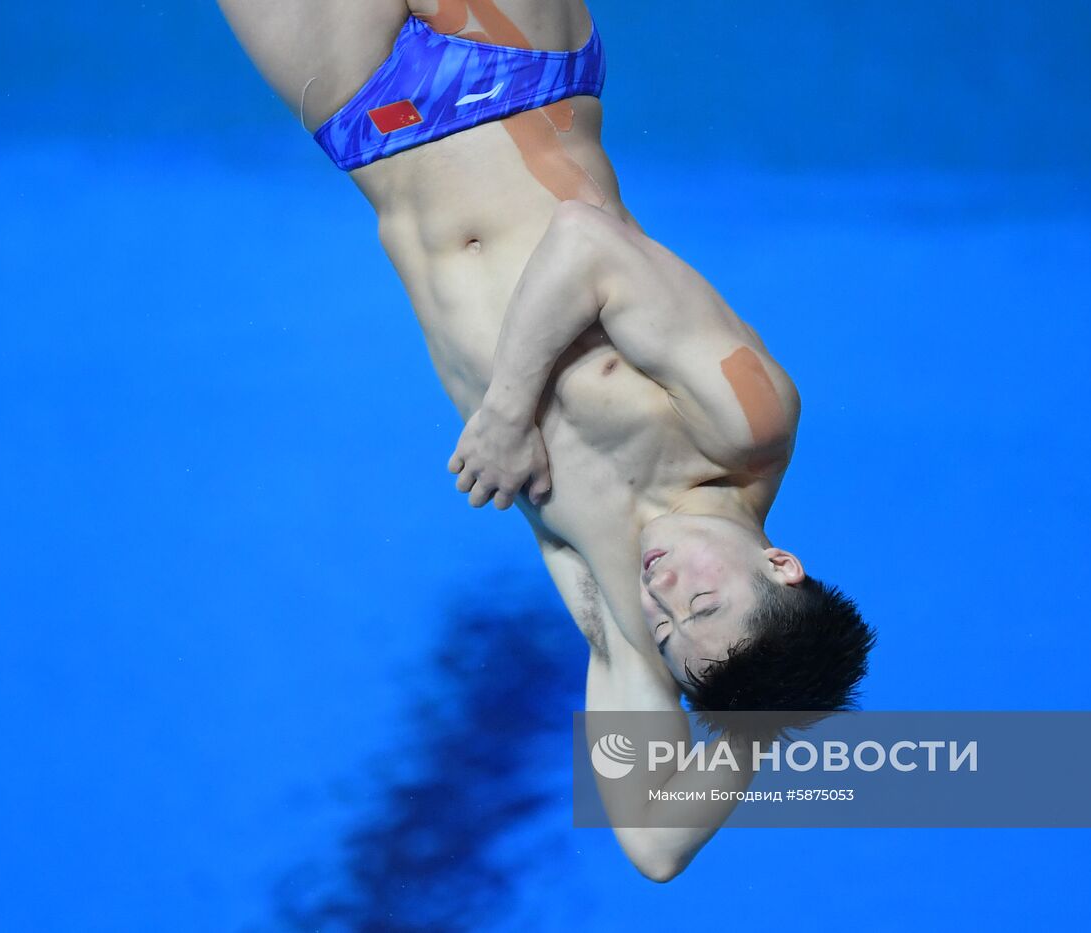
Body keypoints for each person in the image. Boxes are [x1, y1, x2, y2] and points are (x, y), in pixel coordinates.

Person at [217, 0, 875, 880]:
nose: (666, 596)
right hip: (507, 69)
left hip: (368, 123)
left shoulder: (622, 617)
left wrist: (761, 710)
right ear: (780, 564)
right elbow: (586, 244)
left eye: (676, 633)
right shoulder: (746, 428)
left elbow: (653, 844)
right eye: (704, 602)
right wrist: (505, 414)